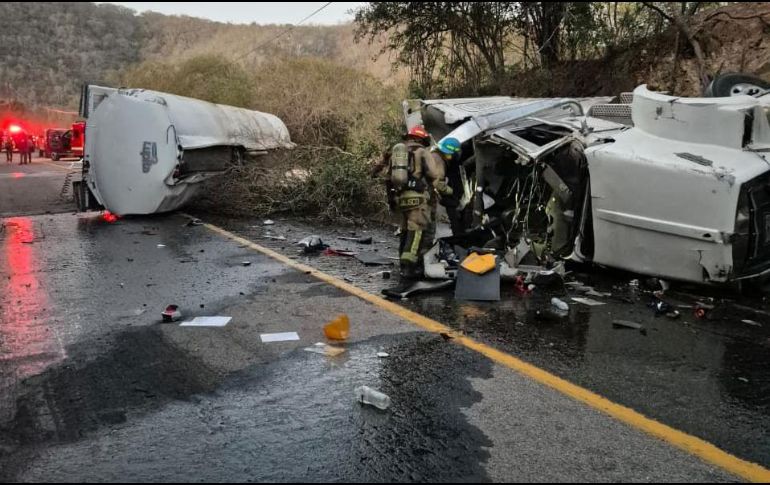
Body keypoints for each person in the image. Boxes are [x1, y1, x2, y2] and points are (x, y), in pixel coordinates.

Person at [376, 127, 457, 279]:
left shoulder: (396, 153)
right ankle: (410, 268)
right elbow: (434, 178)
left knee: (405, 232)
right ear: (421, 139)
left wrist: (392, 200)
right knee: (417, 233)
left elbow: (387, 177)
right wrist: (450, 192)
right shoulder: (422, 152)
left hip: (401, 198)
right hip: (418, 200)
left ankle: (403, 266)